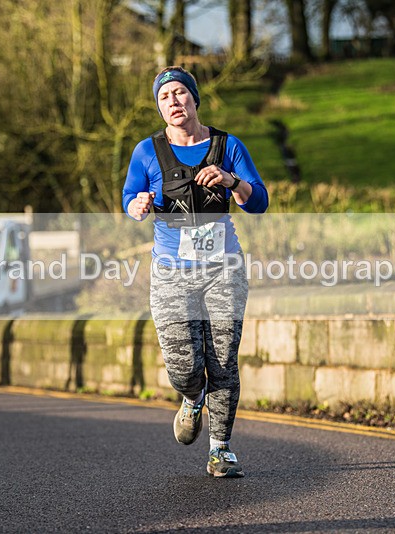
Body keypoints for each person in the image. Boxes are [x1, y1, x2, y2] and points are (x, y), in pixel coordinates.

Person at [122, 66, 268, 477]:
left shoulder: (227, 145)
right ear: (158, 106)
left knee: (223, 360)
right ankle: (191, 397)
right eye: (164, 96)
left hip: (224, 269)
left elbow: (259, 201)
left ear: (194, 98)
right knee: (184, 367)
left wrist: (231, 181)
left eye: (180, 92)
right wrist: (136, 205)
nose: (173, 101)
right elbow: (130, 195)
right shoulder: (147, 151)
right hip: (171, 272)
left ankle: (221, 449)